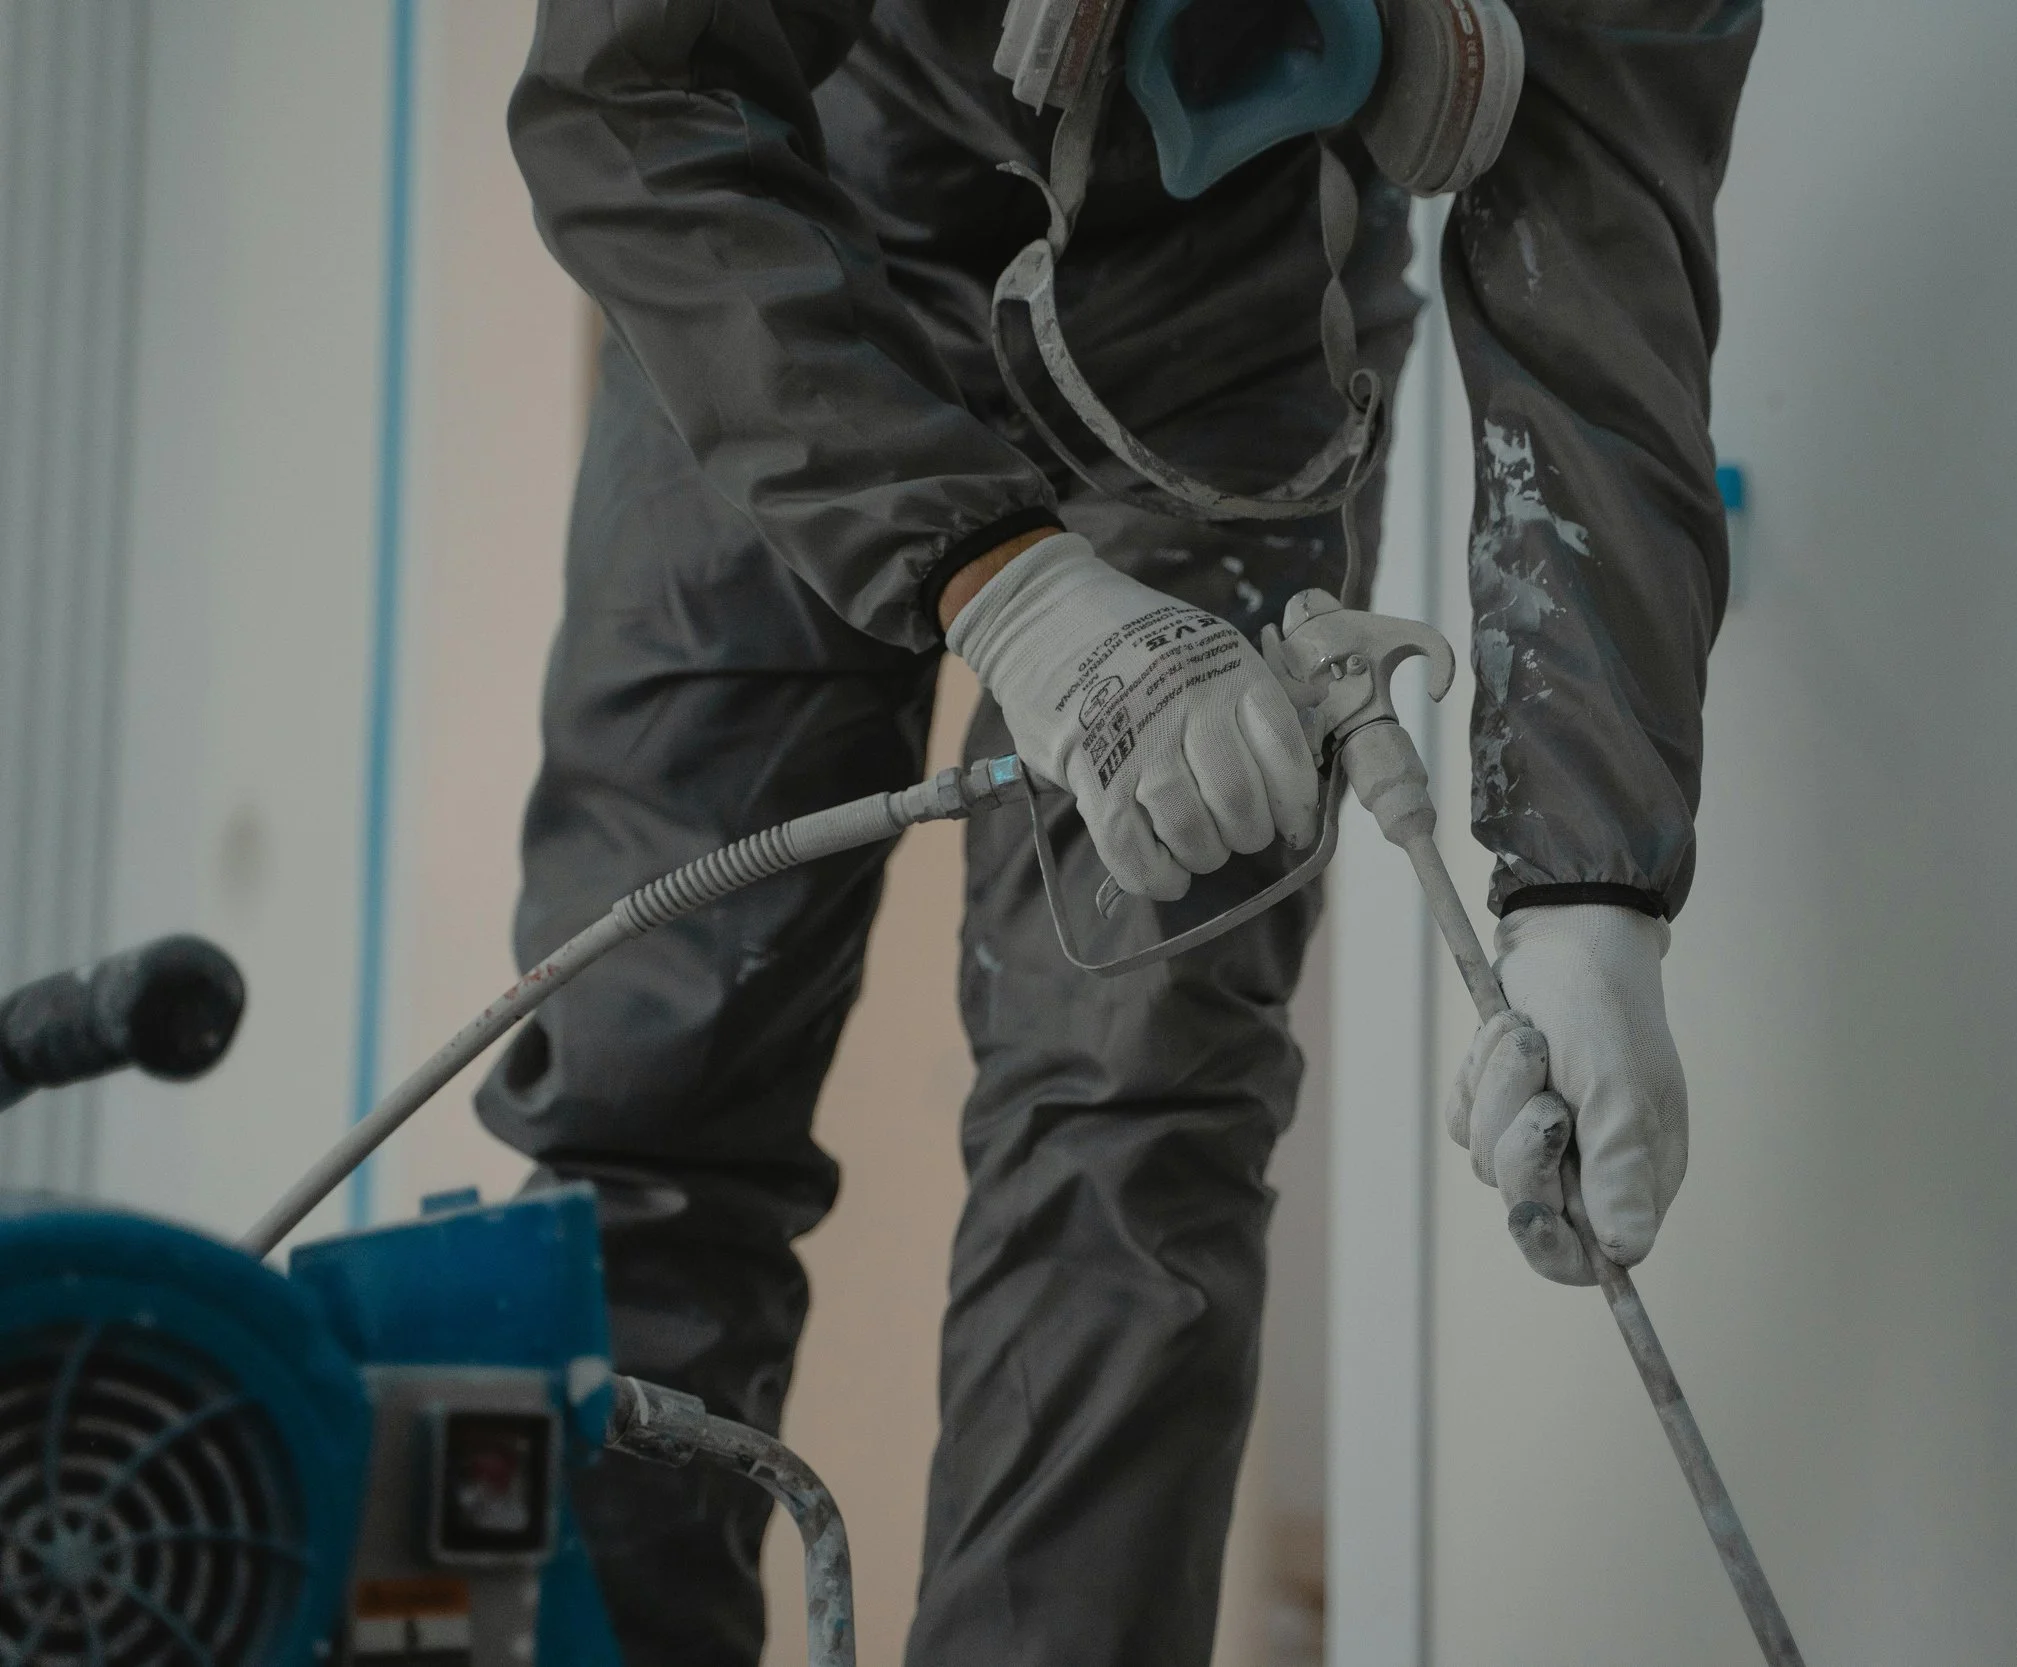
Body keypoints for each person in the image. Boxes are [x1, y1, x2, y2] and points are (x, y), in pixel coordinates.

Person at [483, 3, 1757, 1664]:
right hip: (789, 225)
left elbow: (1600, 267)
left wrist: (1590, 897)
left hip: (1234, 323)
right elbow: (625, 90)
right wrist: (998, 573)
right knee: (645, 1092)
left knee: (1139, 1130)